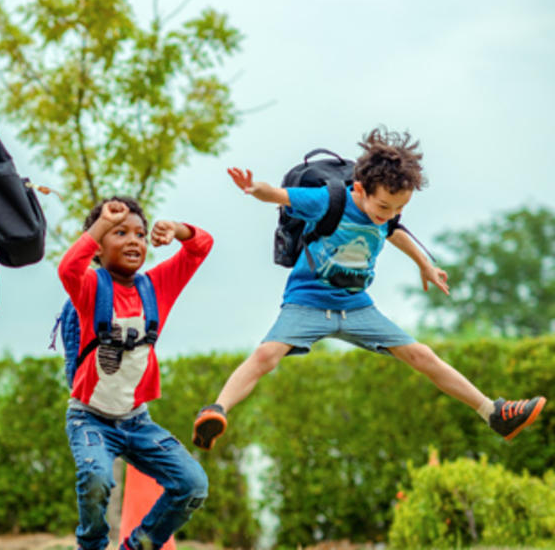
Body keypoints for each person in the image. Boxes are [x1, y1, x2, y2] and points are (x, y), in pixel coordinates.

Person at [192, 128, 545, 452]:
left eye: (399, 208)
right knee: (265, 357)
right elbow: (280, 195)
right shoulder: (327, 201)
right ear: (360, 189)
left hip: (357, 306)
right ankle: (216, 410)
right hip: (308, 301)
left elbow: (395, 233)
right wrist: (257, 190)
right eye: (383, 206)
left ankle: (493, 412)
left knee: (422, 356)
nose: (389, 214)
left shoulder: (386, 214)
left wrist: (424, 264)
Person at [59, 197, 213, 550]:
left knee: (192, 484)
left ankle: (140, 545)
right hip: (90, 420)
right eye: (120, 232)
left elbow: (201, 247)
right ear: (97, 247)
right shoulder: (90, 288)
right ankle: (92, 545)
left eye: (140, 234)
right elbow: (68, 268)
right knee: (96, 478)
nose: (133, 240)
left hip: (137, 422)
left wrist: (177, 230)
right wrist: (99, 226)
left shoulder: (157, 287)